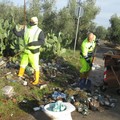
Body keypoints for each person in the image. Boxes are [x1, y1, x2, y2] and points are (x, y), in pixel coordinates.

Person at [13, 16, 45, 85]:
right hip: (26, 51)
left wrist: (33, 43)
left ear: (36, 23)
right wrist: (14, 31)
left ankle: (36, 80)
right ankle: (20, 75)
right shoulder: (26, 29)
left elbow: (42, 41)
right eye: (31, 22)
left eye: (32, 22)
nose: (31, 23)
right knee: (23, 64)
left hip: (34, 52)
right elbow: (19, 34)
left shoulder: (39, 31)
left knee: (35, 66)